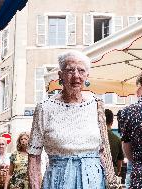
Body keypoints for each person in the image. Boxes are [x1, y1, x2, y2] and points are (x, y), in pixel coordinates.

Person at [28, 50, 118, 189]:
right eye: (70, 70)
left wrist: (110, 181)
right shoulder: (44, 108)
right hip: (58, 179)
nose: (76, 75)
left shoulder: (96, 104)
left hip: (93, 180)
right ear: (61, 75)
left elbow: (103, 149)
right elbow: (34, 156)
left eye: (81, 70)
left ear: (87, 76)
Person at [105, 109, 124, 176]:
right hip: (112, 173)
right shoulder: (117, 139)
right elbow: (120, 160)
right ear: (112, 122)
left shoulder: (96, 138)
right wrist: (118, 171)